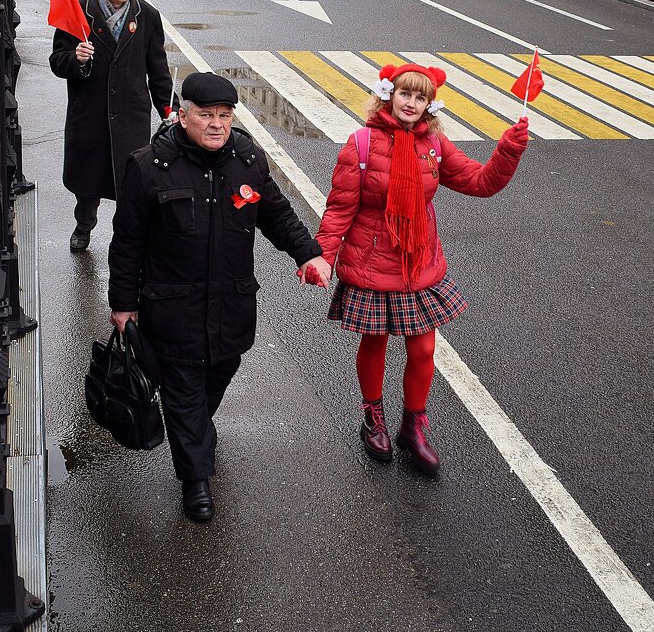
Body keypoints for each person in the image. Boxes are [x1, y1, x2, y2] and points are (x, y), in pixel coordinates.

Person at [107, 72, 332, 523]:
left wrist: (309, 254)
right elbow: (127, 241)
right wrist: (122, 304)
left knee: (216, 377)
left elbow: (276, 213)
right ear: (182, 114)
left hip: (231, 305)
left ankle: (192, 435)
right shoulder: (148, 167)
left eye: (224, 116)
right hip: (173, 307)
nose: (216, 125)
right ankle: (195, 481)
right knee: (184, 389)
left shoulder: (247, 159)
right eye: (206, 115)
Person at [315, 63, 529, 475]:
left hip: (418, 262)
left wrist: (508, 149)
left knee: (424, 349)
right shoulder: (361, 144)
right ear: (388, 96)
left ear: (430, 103)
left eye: (420, 97)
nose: (412, 103)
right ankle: (372, 417)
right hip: (373, 261)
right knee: (375, 342)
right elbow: (340, 208)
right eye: (405, 94)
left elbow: (481, 182)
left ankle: (413, 426)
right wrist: (323, 256)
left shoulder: (435, 145)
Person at [49, 0, 173, 251]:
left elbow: (158, 70)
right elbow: (56, 61)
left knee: (131, 182)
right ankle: (84, 224)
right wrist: (76, 59)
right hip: (90, 115)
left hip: (131, 116)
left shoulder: (147, 16)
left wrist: (170, 110)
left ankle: (128, 238)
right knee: (88, 182)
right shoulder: (80, 13)